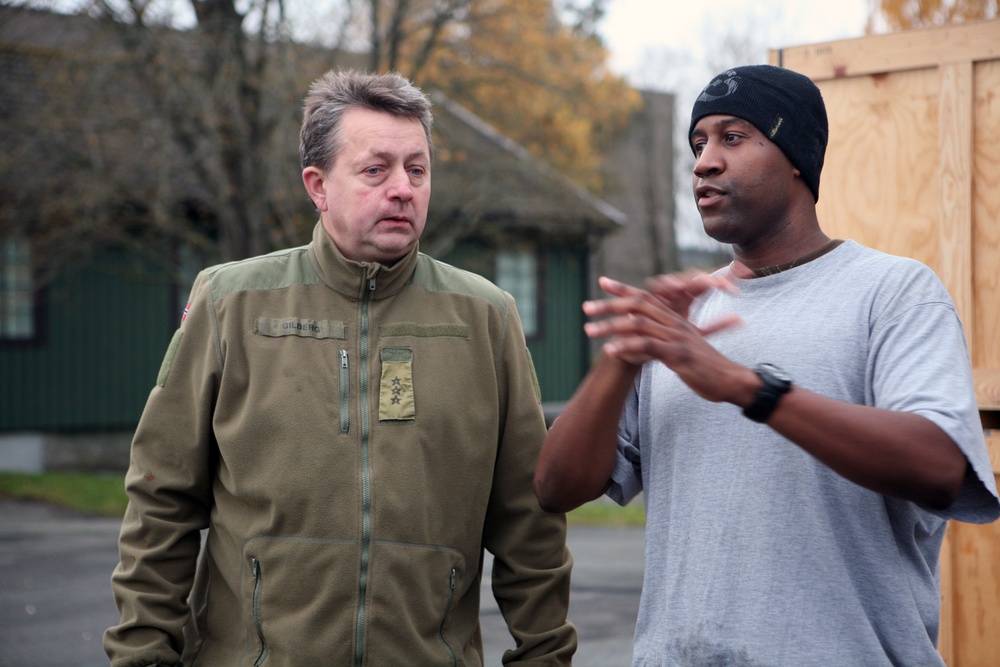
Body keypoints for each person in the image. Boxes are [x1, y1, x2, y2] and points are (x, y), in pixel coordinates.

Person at [104, 69, 577, 667]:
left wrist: (546, 656)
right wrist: (142, 655)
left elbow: (527, 525)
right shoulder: (230, 304)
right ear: (318, 184)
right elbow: (160, 501)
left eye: (417, 169)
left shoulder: (486, 318)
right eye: (375, 169)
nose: (403, 188)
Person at [534, 64, 999, 666]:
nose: (704, 162)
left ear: (797, 158)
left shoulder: (893, 292)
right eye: (699, 143)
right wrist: (621, 360)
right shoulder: (680, 316)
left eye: (733, 137)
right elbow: (555, 488)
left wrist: (750, 389)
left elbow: (939, 465)